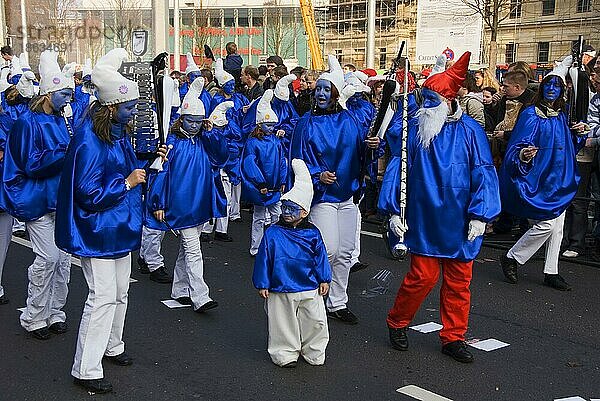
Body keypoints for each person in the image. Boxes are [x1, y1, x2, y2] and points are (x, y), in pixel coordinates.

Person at [56, 48, 167, 394]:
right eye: (130, 107)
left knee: (120, 292)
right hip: (96, 230)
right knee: (103, 296)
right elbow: (89, 192)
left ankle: (111, 346)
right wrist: (129, 182)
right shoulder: (90, 140)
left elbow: (124, 168)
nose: (135, 112)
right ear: (110, 107)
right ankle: (85, 367)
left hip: (116, 227)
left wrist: (148, 161)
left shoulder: (112, 132)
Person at [382, 52, 501, 363]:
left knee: (459, 281)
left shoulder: (472, 131)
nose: (427, 103)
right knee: (422, 277)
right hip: (424, 217)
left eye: (432, 97)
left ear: (448, 99)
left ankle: (453, 336)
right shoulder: (415, 125)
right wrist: (395, 210)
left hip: (461, 220)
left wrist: (481, 213)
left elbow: (484, 171)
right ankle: (398, 321)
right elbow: (399, 163)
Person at [290, 55, 380, 325]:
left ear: (335, 94)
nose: (319, 94)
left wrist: (373, 146)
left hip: (348, 195)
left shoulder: (351, 120)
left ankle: (337, 302)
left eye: (325, 90)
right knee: (327, 249)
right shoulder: (305, 124)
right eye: (317, 89)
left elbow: (362, 152)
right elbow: (297, 161)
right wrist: (318, 175)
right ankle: (310, 295)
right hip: (323, 196)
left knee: (345, 252)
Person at [499, 56, 588, 291]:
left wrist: (579, 133)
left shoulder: (561, 115)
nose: (551, 90)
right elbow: (517, 146)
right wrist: (524, 155)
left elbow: (568, 146)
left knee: (557, 227)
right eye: (548, 85)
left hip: (559, 179)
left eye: (556, 86)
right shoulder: (530, 114)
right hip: (538, 180)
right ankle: (513, 256)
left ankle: (551, 270)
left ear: (561, 91)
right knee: (547, 225)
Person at [3, 50, 74, 341]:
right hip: (35, 199)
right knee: (48, 258)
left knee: (64, 260)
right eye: (64, 94)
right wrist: (65, 154)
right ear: (47, 94)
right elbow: (31, 164)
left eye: (70, 94)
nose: (68, 99)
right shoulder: (25, 123)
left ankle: (56, 311)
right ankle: (34, 315)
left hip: (60, 200)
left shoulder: (62, 120)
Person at [147, 77, 228, 313]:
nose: (194, 126)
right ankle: (200, 295)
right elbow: (159, 174)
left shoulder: (204, 140)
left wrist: (212, 134)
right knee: (193, 249)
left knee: (186, 249)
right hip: (180, 206)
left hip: (200, 204)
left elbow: (221, 156)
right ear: (181, 118)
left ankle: (180, 289)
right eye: (190, 121)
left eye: (198, 122)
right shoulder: (171, 143)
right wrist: (158, 202)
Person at [252, 158, 331, 368]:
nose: (286, 213)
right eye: (285, 207)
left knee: (315, 320)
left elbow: (320, 256)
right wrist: (263, 283)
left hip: (309, 284)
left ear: (304, 212)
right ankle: (284, 352)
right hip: (281, 285)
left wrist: (324, 278)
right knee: (282, 321)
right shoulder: (273, 233)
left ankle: (313, 349)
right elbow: (264, 259)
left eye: (292, 209)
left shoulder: (313, 233)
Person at [241, 90, 287, 256]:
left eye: (273, 125)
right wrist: (260, 183)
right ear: (260, 124)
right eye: (268, 125)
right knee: (259, 216)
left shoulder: (276, 141)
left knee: (277, 215)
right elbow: (250, 164)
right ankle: (256, 247)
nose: (271, 128)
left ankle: (274, 245)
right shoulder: (253, 142)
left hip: (274, 186)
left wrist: (283, 180)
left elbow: (282, 161)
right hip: (262, 187)